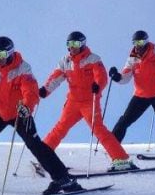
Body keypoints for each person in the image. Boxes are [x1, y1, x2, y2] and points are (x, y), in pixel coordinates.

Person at [0, 37, 82, 195]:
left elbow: (30, 90)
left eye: (1, 53)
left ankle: (63, 179)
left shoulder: (22, 68)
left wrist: (27, 107)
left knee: (35, 145)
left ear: (9, 52)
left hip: (20, 112)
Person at [39, 30, 138, 172]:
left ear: (82, 44)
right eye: (69, 44)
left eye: (75, 43)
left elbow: (101, 76)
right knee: (60, 127)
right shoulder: (65, 61)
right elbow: (55, 78)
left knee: (98, 129)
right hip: (72, 102)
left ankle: (121, 160)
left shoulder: (93, 59)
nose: (72, 47)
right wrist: (45, 90)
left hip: (89, 101)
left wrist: (97, 86)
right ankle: (44, 156)